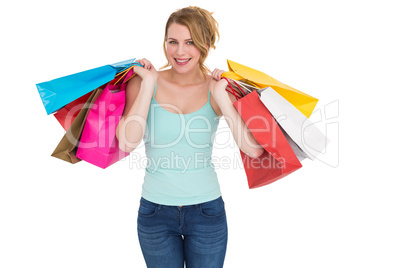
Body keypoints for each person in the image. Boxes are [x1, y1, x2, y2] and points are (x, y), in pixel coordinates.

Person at [116, 6, 264, 268]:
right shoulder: (142, 82)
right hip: (155, 214)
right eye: (173, 42)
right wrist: (149, 85)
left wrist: (221, 99)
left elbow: (253, 150)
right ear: (164, 43)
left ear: (205, 44)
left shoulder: (216, 88)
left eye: (190, 42)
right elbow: (127, 142)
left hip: (206, 212)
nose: (180, 52)